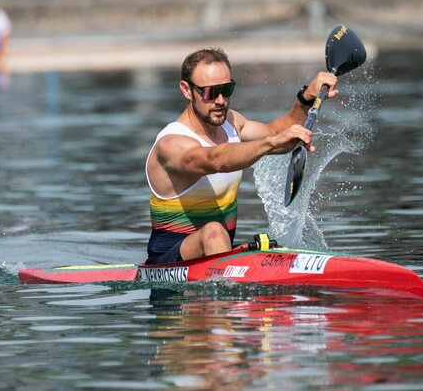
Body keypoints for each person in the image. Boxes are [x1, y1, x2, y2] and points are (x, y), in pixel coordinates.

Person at [145, 48, 338, 265]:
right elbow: (215, 160)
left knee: (269, 246)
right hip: (167, 264)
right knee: (214, 232)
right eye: (210, 92)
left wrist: (305, 99)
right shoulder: (171, 144)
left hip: (219, 255)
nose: (220, 100)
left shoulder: (232, 123)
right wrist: (270, 143)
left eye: (226, 90)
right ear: (186, 90)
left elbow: (276, 133)